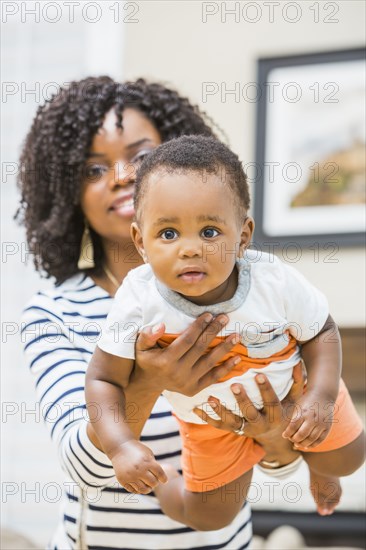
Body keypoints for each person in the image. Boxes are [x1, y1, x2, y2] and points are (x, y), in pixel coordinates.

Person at [18, 76, 302, 549]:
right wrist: (150, 380)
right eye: (92, 169)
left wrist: (274, 437)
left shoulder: (247, 294)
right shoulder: (54, 314)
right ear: (68, 194)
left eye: (141, 156)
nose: (122, 175)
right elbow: (84, 469)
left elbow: (282, 461)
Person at [87, 135, 365, 531]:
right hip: (211, 421)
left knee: (348, 459)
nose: (189, 249)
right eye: (168, 233)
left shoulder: (273, 281)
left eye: (210, 232)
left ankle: (319, 465)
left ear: (243, 236)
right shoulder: (137, 298)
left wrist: (320, 396)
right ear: (140, 241)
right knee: (209, 517)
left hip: (297, 395)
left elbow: (322, 331)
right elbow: (102, 378)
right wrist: (121, 447)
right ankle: (167, 485)